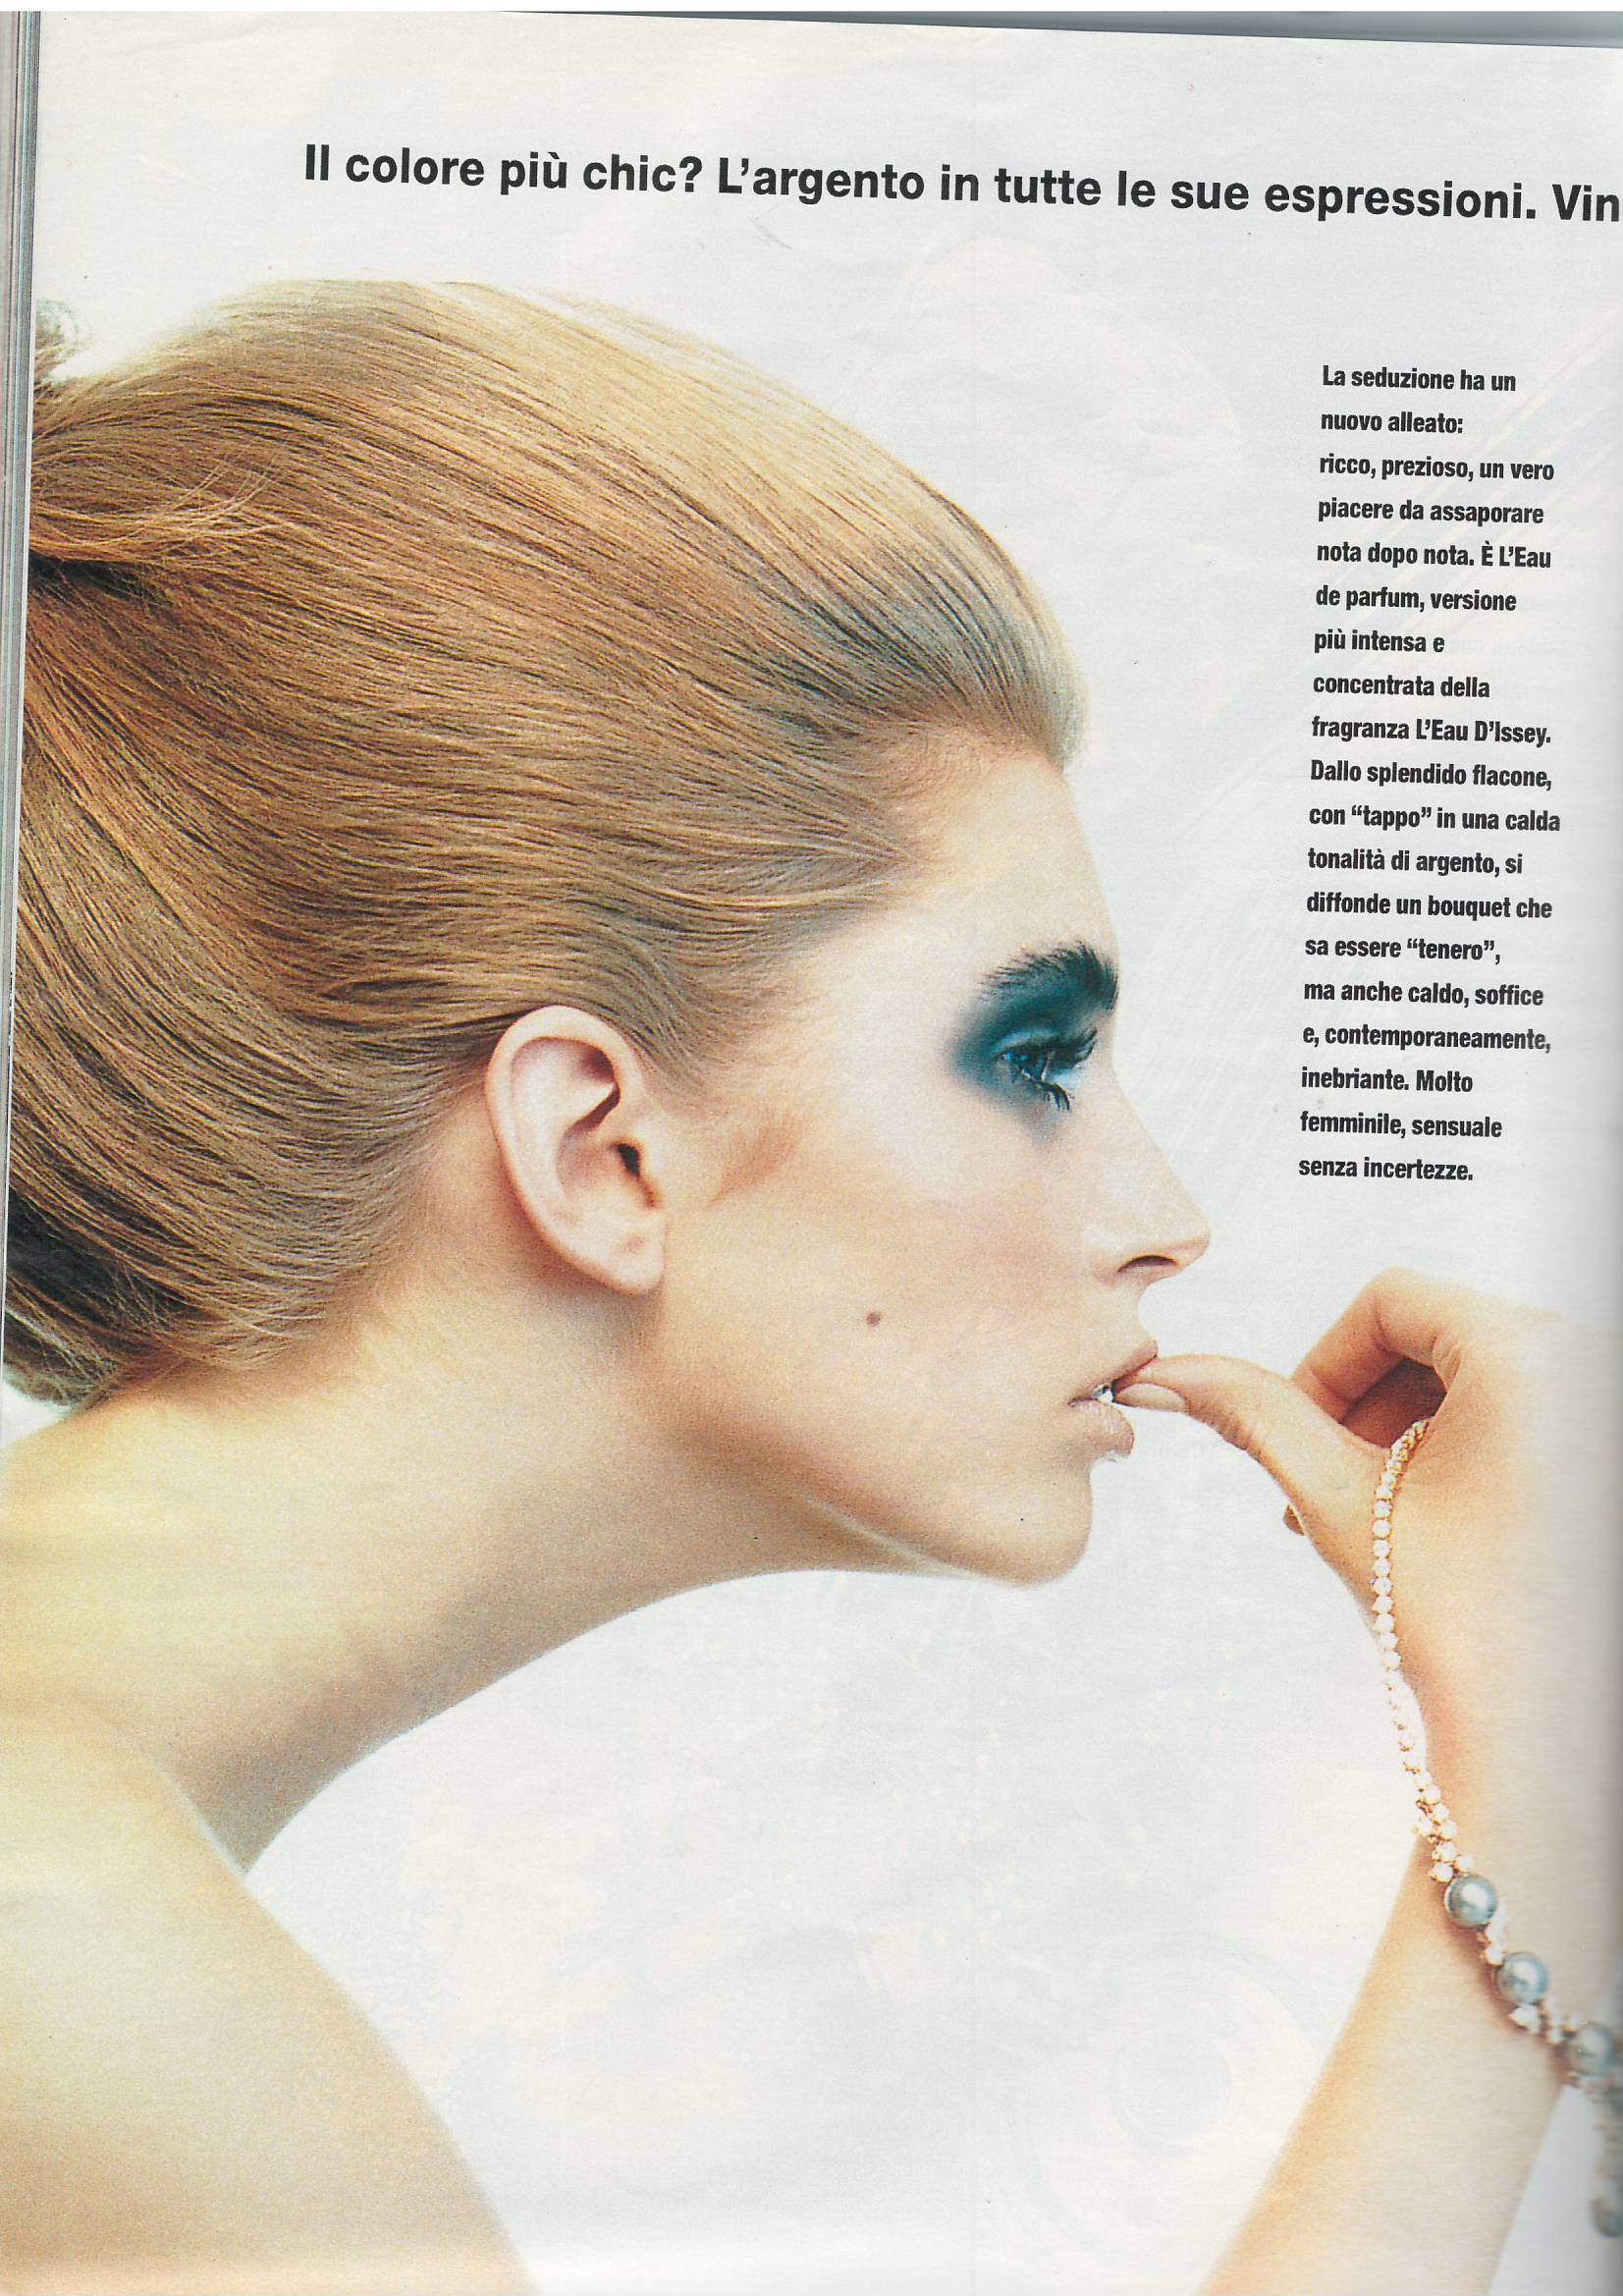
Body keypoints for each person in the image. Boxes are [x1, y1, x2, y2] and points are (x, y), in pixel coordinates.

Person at [2, 282, 1616, 2296]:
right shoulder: (64, 1945)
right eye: (1035, 1055)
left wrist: (1523, 1772)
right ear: (600, 1145)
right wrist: (1520, 1787)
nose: (1166, 1214)